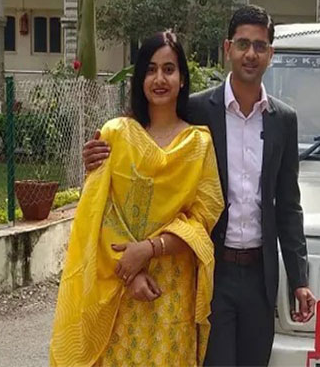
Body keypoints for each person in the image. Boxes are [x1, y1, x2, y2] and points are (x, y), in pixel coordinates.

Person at [83, 5, 316, 366]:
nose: (250, 54)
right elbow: (148, 141)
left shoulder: (283, 120)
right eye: (243, 44)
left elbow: (287, 204)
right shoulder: (196, 110)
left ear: (270, 53)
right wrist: (101, 155)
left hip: (260, 276)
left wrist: (299, 279)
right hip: (210, 269)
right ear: (227, 48)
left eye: (259, 46)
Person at [50, 31, 224, 367]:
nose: (160, 79)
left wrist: (149, 249)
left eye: (169, 69)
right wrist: (130, 272)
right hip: (119, 287)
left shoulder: (198, 145)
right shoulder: (116, 134)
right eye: (150, 69)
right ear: (140, 78)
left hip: (171, 290)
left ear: (183, 79)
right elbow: (99, 210)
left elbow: (203, 218)